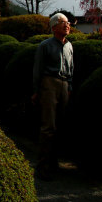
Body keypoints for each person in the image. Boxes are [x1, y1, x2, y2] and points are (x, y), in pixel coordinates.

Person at [31, 13, 74, 180]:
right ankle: (42, 166)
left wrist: (69, 86)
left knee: (61, 125)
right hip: (49, 83)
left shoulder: (70, 46)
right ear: (54, 26)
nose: (67, 25)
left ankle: (54, 163)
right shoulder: (45, 46)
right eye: (63, 23)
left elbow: (71, 69)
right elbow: (38, 69)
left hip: (64, 85)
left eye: (68, 23)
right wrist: (36, 90)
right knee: (48, 126)